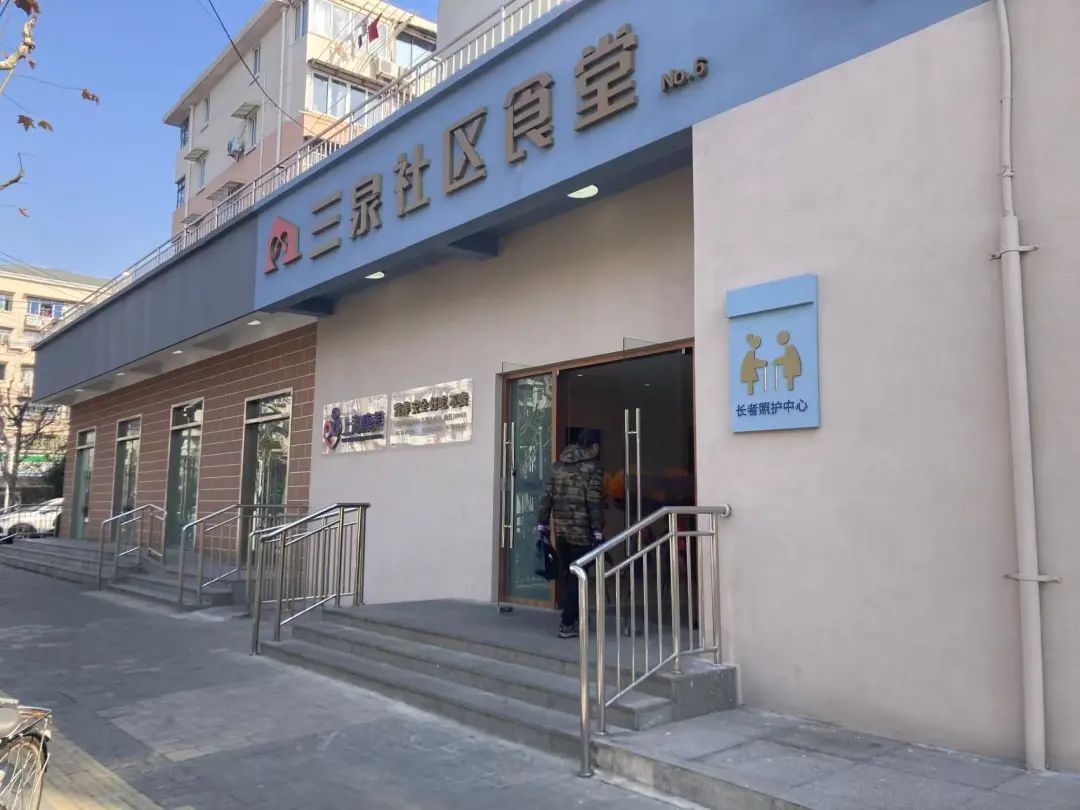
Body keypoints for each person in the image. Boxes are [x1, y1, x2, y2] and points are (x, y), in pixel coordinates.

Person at [537, 429, 604, 638]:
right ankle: (567, 623)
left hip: (562, 531)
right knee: (578, 576)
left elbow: (546, 496)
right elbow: (594, 502)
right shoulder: (593, 468)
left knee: (570, 575)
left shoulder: (558, 465)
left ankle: (575, 617)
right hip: (582, 532)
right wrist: (598, 530)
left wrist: (543, 523)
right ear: (594, 446)